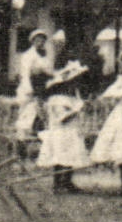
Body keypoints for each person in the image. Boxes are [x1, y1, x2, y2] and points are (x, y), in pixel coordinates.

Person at [36, 61, 91, 193]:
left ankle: (67, 182)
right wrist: (77, 109)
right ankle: (57, 183)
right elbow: (61, 118)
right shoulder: (57, 99)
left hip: (70, 131)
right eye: (74, 82)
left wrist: (82, 107)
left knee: (70, 156)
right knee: (60, 157)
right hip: (60, 132)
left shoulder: (72, 98)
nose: (76, 85)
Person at [13, 29, 55, 136]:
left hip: (41, 86)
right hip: (31, 86)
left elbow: (48, 70)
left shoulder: (44, 56)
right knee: (27, 110)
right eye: (38, 40)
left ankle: (38, 134)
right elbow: (25, 73)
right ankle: (22, 136)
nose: (40, 42)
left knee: (40, 110)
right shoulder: (28, 55)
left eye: (42, 40)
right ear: (33, 41)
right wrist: (28, 89)